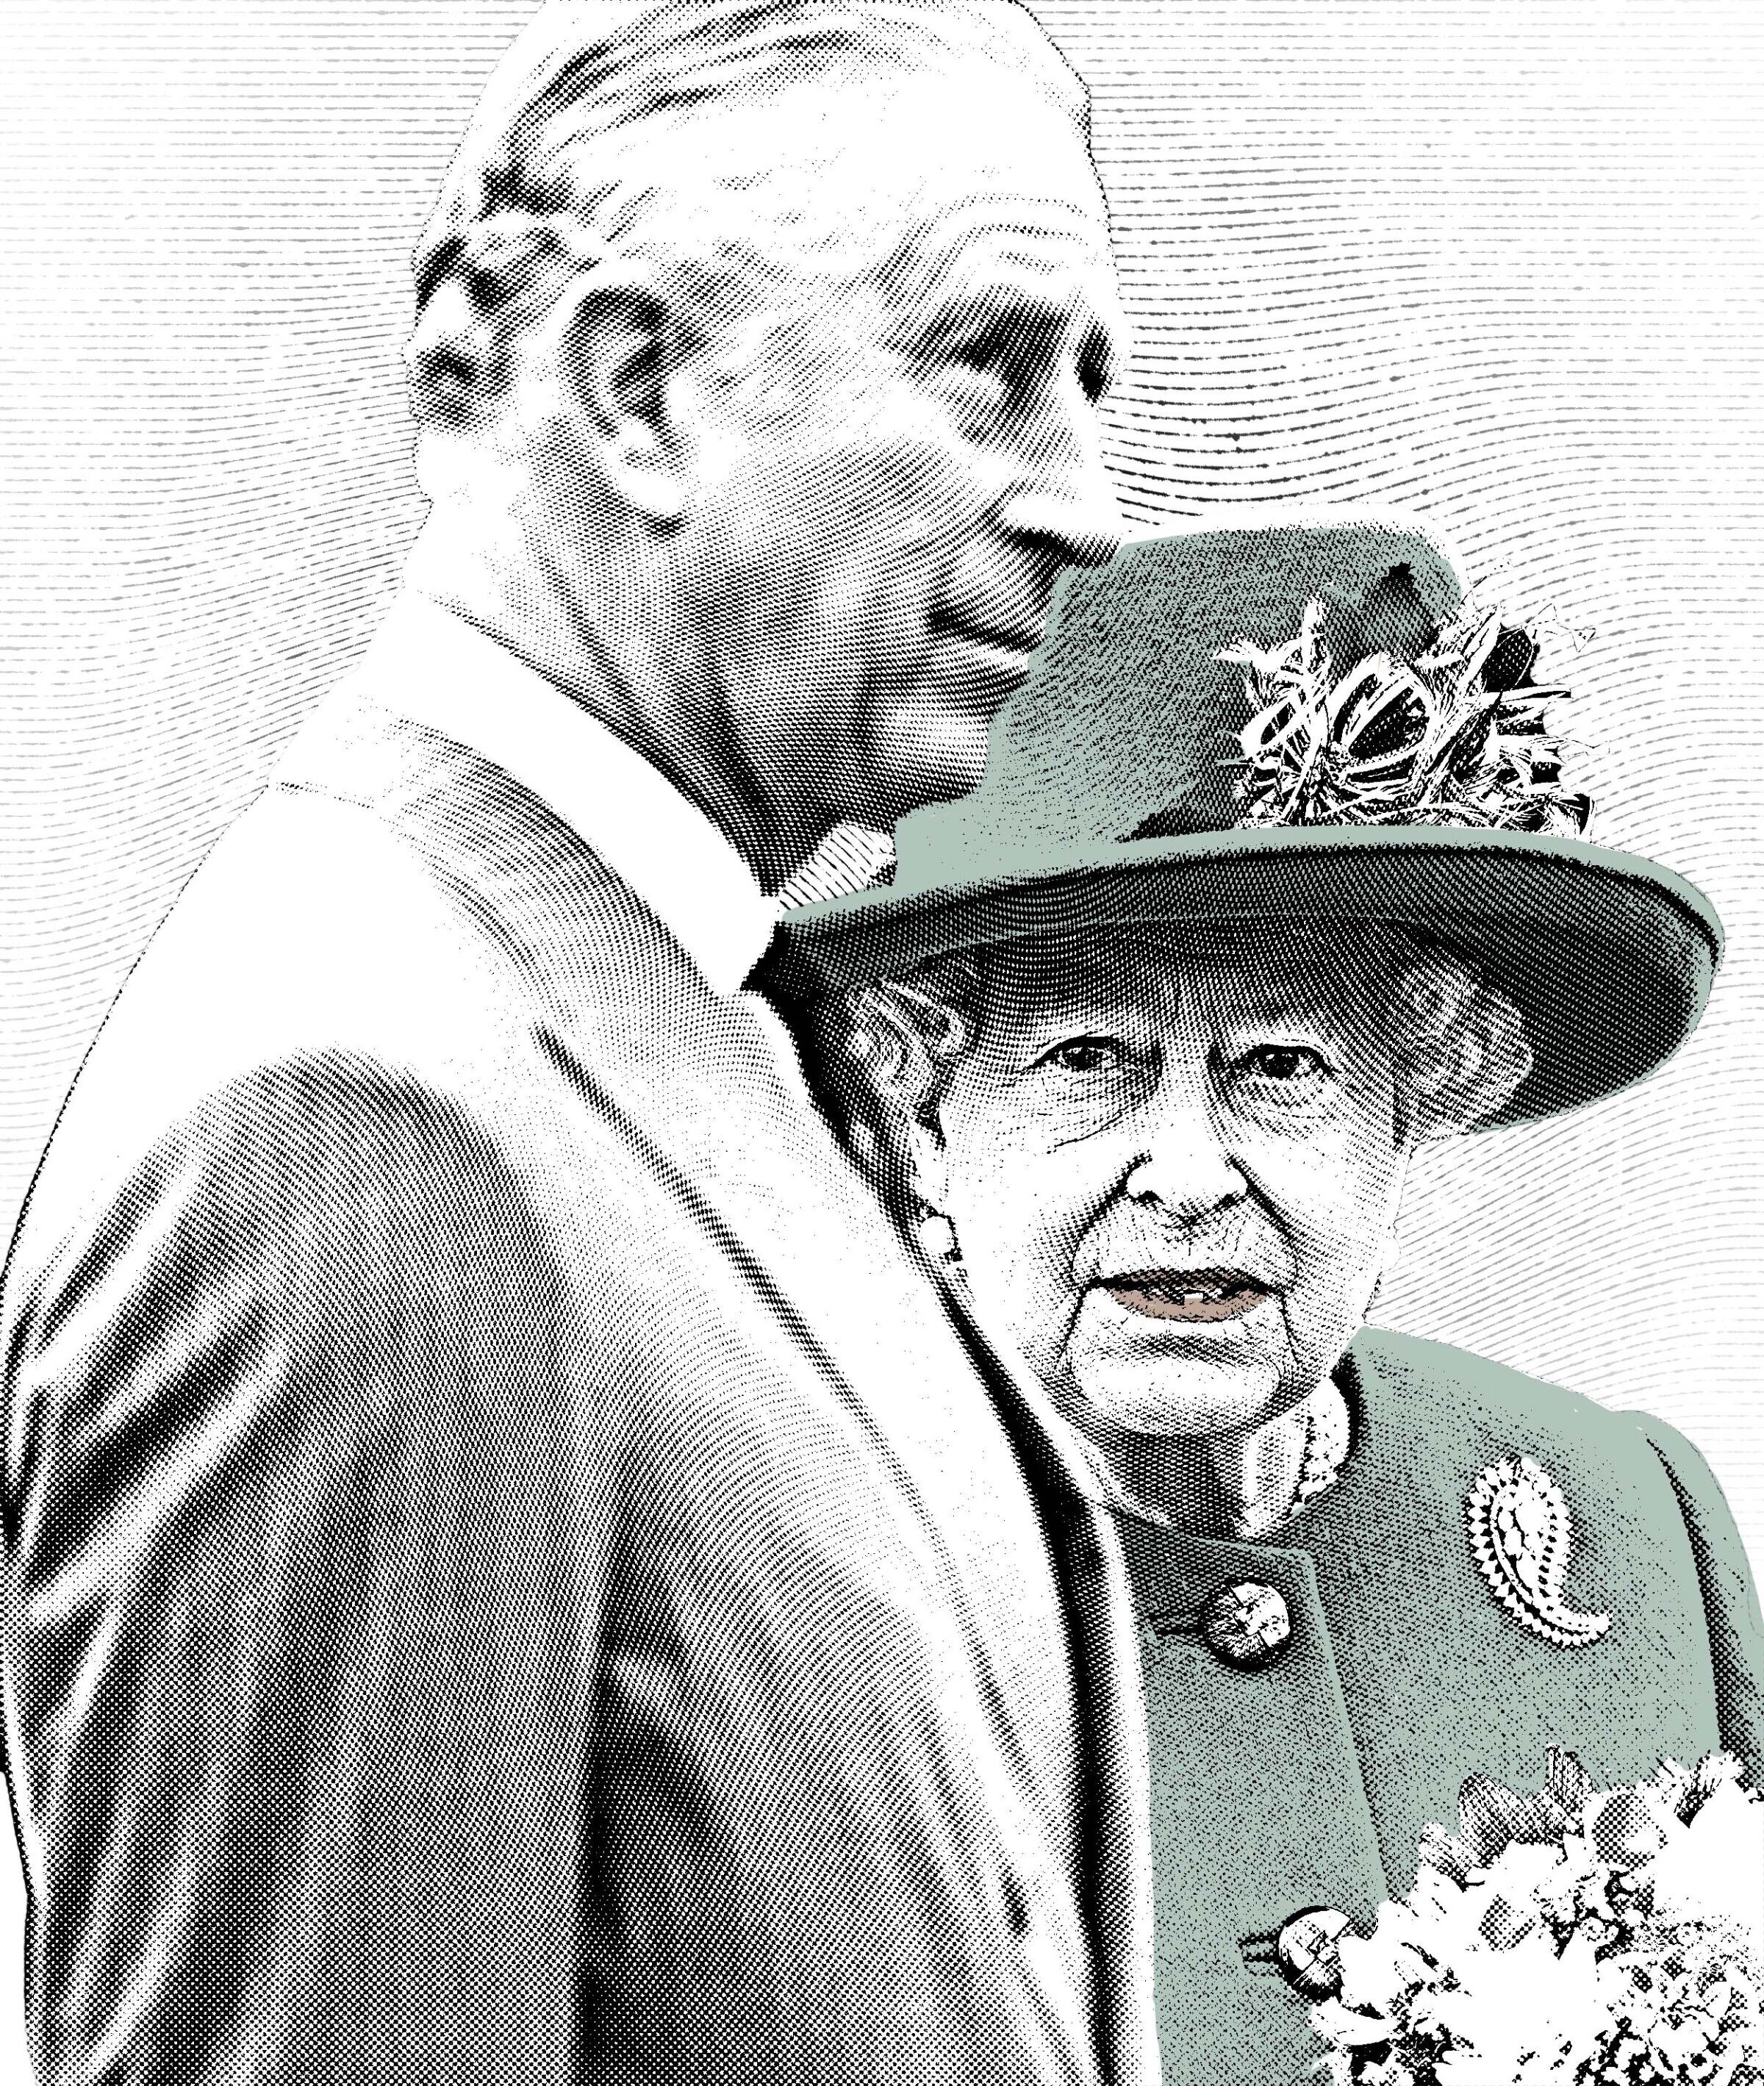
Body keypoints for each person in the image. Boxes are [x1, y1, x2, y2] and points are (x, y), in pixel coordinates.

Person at [0, 10, 1161, 2086]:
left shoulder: (639, 1018)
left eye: (1095, 383)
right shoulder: (360, 1133)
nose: (1087, 503)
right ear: (639, 391)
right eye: (992, 361)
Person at [779, 521, 1764, 2086]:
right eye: (1087, 1058)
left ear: (1417, 1103)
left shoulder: (1622, 1517)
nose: (1188, 1175)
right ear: (921, 1118)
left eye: (1281, 1064)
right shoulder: (787, 1588)